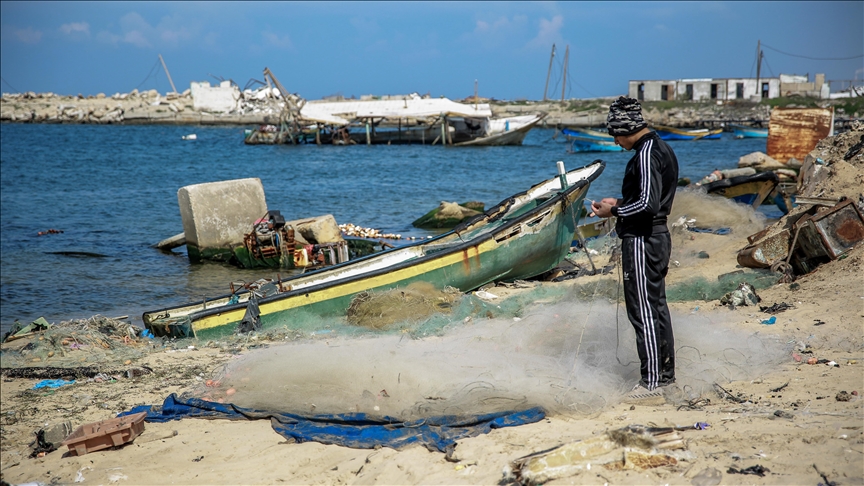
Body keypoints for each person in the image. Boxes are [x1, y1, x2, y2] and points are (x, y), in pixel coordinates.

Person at [590, 96, 679, 400]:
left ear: (626, 129)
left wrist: (612, 212)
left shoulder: (645, 153)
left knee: (643, 311)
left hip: (642, 241)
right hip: (656, 237)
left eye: (615, 134)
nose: (615, 141)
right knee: (656, 308)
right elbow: (647, 200)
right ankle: (665, 378)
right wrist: (619, 203)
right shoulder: (661, 148)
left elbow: (647, 204)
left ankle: (652, 383)